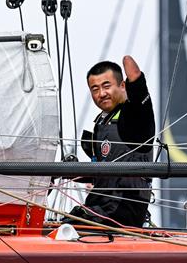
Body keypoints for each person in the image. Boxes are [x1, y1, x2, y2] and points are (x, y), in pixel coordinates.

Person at [65, 55, 155, 227]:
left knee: (64, 231)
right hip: (98, 207)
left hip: (121, 211)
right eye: (95, 89)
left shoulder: (135, 116)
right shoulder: (102, 120)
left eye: (106, 86)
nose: (101, 93)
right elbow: (103, 172)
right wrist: (64, 172)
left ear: (122, 85)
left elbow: (134, 75)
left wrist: (130, 70)